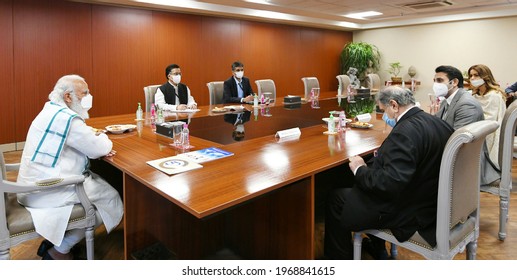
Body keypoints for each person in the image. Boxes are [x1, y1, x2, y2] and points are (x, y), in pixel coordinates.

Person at [324, 86, 454, 260]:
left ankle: (338, 260)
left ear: (394, 105)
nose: (384, 115)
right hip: (429, 197)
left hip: (409, 210)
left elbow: (388, 184)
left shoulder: (404, 132)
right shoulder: (437, 122)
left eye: (383, 109)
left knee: (337, 197)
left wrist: (359, 168)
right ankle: (378, 248)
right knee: (355, 180)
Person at [16, 75, 124, 260]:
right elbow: (100, 148)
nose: (89, 97)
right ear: (68, 96)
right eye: (85, 93)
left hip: (29, 185)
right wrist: (103, 140)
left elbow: (82, 140)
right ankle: (60, 249)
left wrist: (92, 142)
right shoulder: (69, 120)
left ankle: (55, 241)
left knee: (100, 187)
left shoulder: (50, 111)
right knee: (114, 201)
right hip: (47, 190)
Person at [433, 65, 500, 185]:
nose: (435, 85)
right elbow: (437, 123)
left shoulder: (467, 104)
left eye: (439, 81)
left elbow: (458, 141)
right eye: (434, 81)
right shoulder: (446, 100)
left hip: (464, 162)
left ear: (454, 82)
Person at [468, 64, 506, 167]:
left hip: (489, 132)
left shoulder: (494, 95)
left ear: (485, 76)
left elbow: (491, 119)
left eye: (476, 75)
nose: (472, 78)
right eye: (471, 75)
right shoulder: (474, 95)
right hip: (476, 128)